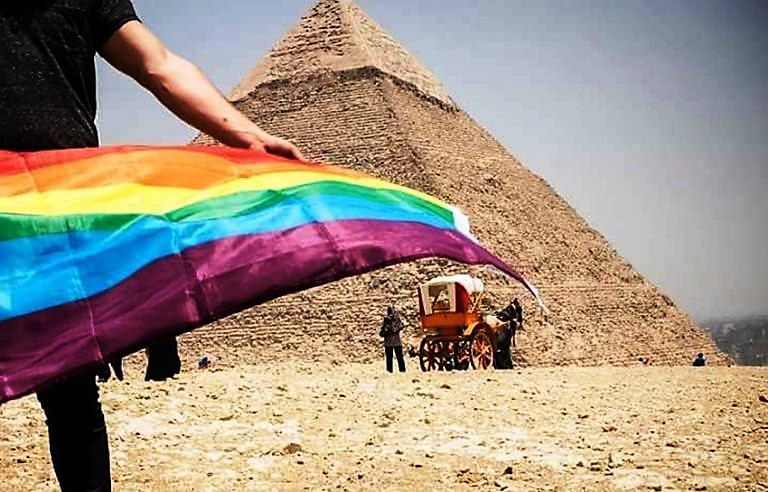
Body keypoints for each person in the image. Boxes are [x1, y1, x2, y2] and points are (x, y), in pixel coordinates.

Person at [1, 2, 303, 490]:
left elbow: (158, 63)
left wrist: (246, 135)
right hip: (51, 206)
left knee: (71, 394)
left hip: (54, 208)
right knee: (72, 403)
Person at [380, 306, 406, 373]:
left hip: (396, 341)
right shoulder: (386, 320)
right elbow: (382, 332)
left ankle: (402, 370)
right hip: (389, 342)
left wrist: (392, 326)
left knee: (399, 357)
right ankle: (389, 370)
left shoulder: (397, 320)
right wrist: (387, 327)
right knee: (389, 358)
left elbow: (399, 327)